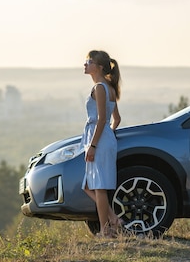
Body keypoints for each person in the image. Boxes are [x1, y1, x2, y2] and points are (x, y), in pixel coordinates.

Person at [82, 50, 122, 238]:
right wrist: (108, 136)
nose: (85, 64)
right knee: (89, 185)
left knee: (98, 187)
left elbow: (102, 119)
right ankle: (114, 219)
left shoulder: (99, 87)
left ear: (98, 67)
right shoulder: (110, 88)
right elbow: (117, 119)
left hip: (98, 139)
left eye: (89, 62)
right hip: (105, 138)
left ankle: (105, 231)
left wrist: (94, 145)